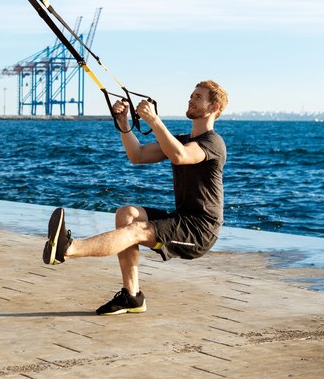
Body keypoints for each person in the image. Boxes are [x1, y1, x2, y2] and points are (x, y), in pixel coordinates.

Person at [42, 79, 228, 316]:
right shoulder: (181, 139)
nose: (191, 99)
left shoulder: (213, 142)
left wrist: (154, 120)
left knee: (137, 231)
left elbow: (180, 156)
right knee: (126, 214)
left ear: (214, 108)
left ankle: (68, 249)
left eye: (198, 97)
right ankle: (132, 296)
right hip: (182, 217)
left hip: (200, 230)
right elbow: (137, 154)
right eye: (191, 95)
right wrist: (123, 123)